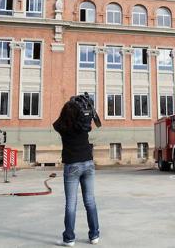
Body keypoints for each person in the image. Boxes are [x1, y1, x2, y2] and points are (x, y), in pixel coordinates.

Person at [53, 98, 100, 246]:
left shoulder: (62, 127)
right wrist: (86, 110)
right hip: (88, 163)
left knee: (71, 203)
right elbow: (90, 123)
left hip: (72, 165)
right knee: (90, 201)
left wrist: (69, 109)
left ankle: (69, 238)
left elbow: (55, 123)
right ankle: (94, 236)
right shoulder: (84, 126)